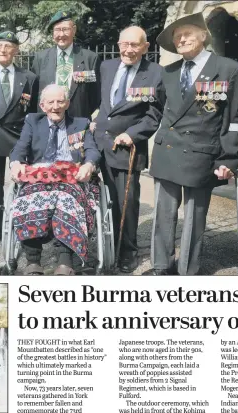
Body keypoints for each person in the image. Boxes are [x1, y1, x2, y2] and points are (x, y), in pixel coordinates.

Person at [144, 12, 238, 275]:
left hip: (202, 154)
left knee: (194, 220)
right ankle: (160, 265)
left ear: (203, 36)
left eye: (187, 33)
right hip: (167, 152)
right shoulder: (168, 72)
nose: (181, 39)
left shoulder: (228, 69)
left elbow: (233, 119)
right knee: (163, 217)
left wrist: (229, 159)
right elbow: (156, 111)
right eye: (177, 37)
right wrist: (130, 133)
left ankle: (188, 270)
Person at [92, 26, 165, 273]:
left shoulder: (155, 73)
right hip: (98, 143)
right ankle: (103, 244)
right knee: (97, 197)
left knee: (126, 202)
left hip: (126, 148)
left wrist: (132, 134)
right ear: (118, 44)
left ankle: (127, 251)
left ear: (145, 47)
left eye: (135, 45)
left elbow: (155, 114)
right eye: (125, 44)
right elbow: (101, 102)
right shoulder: (106, 67)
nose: (129, 50)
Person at [9, 84, 100, 275]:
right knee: (28, 200)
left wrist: (88, 165)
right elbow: (19, 148)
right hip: (39, 177)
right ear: (42, 105)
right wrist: (15, 163)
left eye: (60, 101)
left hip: (71, 179)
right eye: (50, 102)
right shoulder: (33, 121)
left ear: (67, 103)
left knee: (66, 201)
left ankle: (65, 261)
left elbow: (92, 150)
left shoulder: (81, 123)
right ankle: (33, 260)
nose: (55, 106)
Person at [0, 31, 38, 247]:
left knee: (23, 181)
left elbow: (33, 109)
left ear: (16, 51)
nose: (3, 50)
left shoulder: (29, 78)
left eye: (8, 46)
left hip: (19, 135)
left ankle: (23, 223)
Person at [31, 11, 101, 119]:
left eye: (65, 29)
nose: (61, 34)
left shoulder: (90, 58)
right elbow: (34, 93)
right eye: (57, 30)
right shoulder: (40, 58)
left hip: (78, 121)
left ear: (74, 30)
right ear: (53, 33)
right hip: (47, 121)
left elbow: (95, 95)